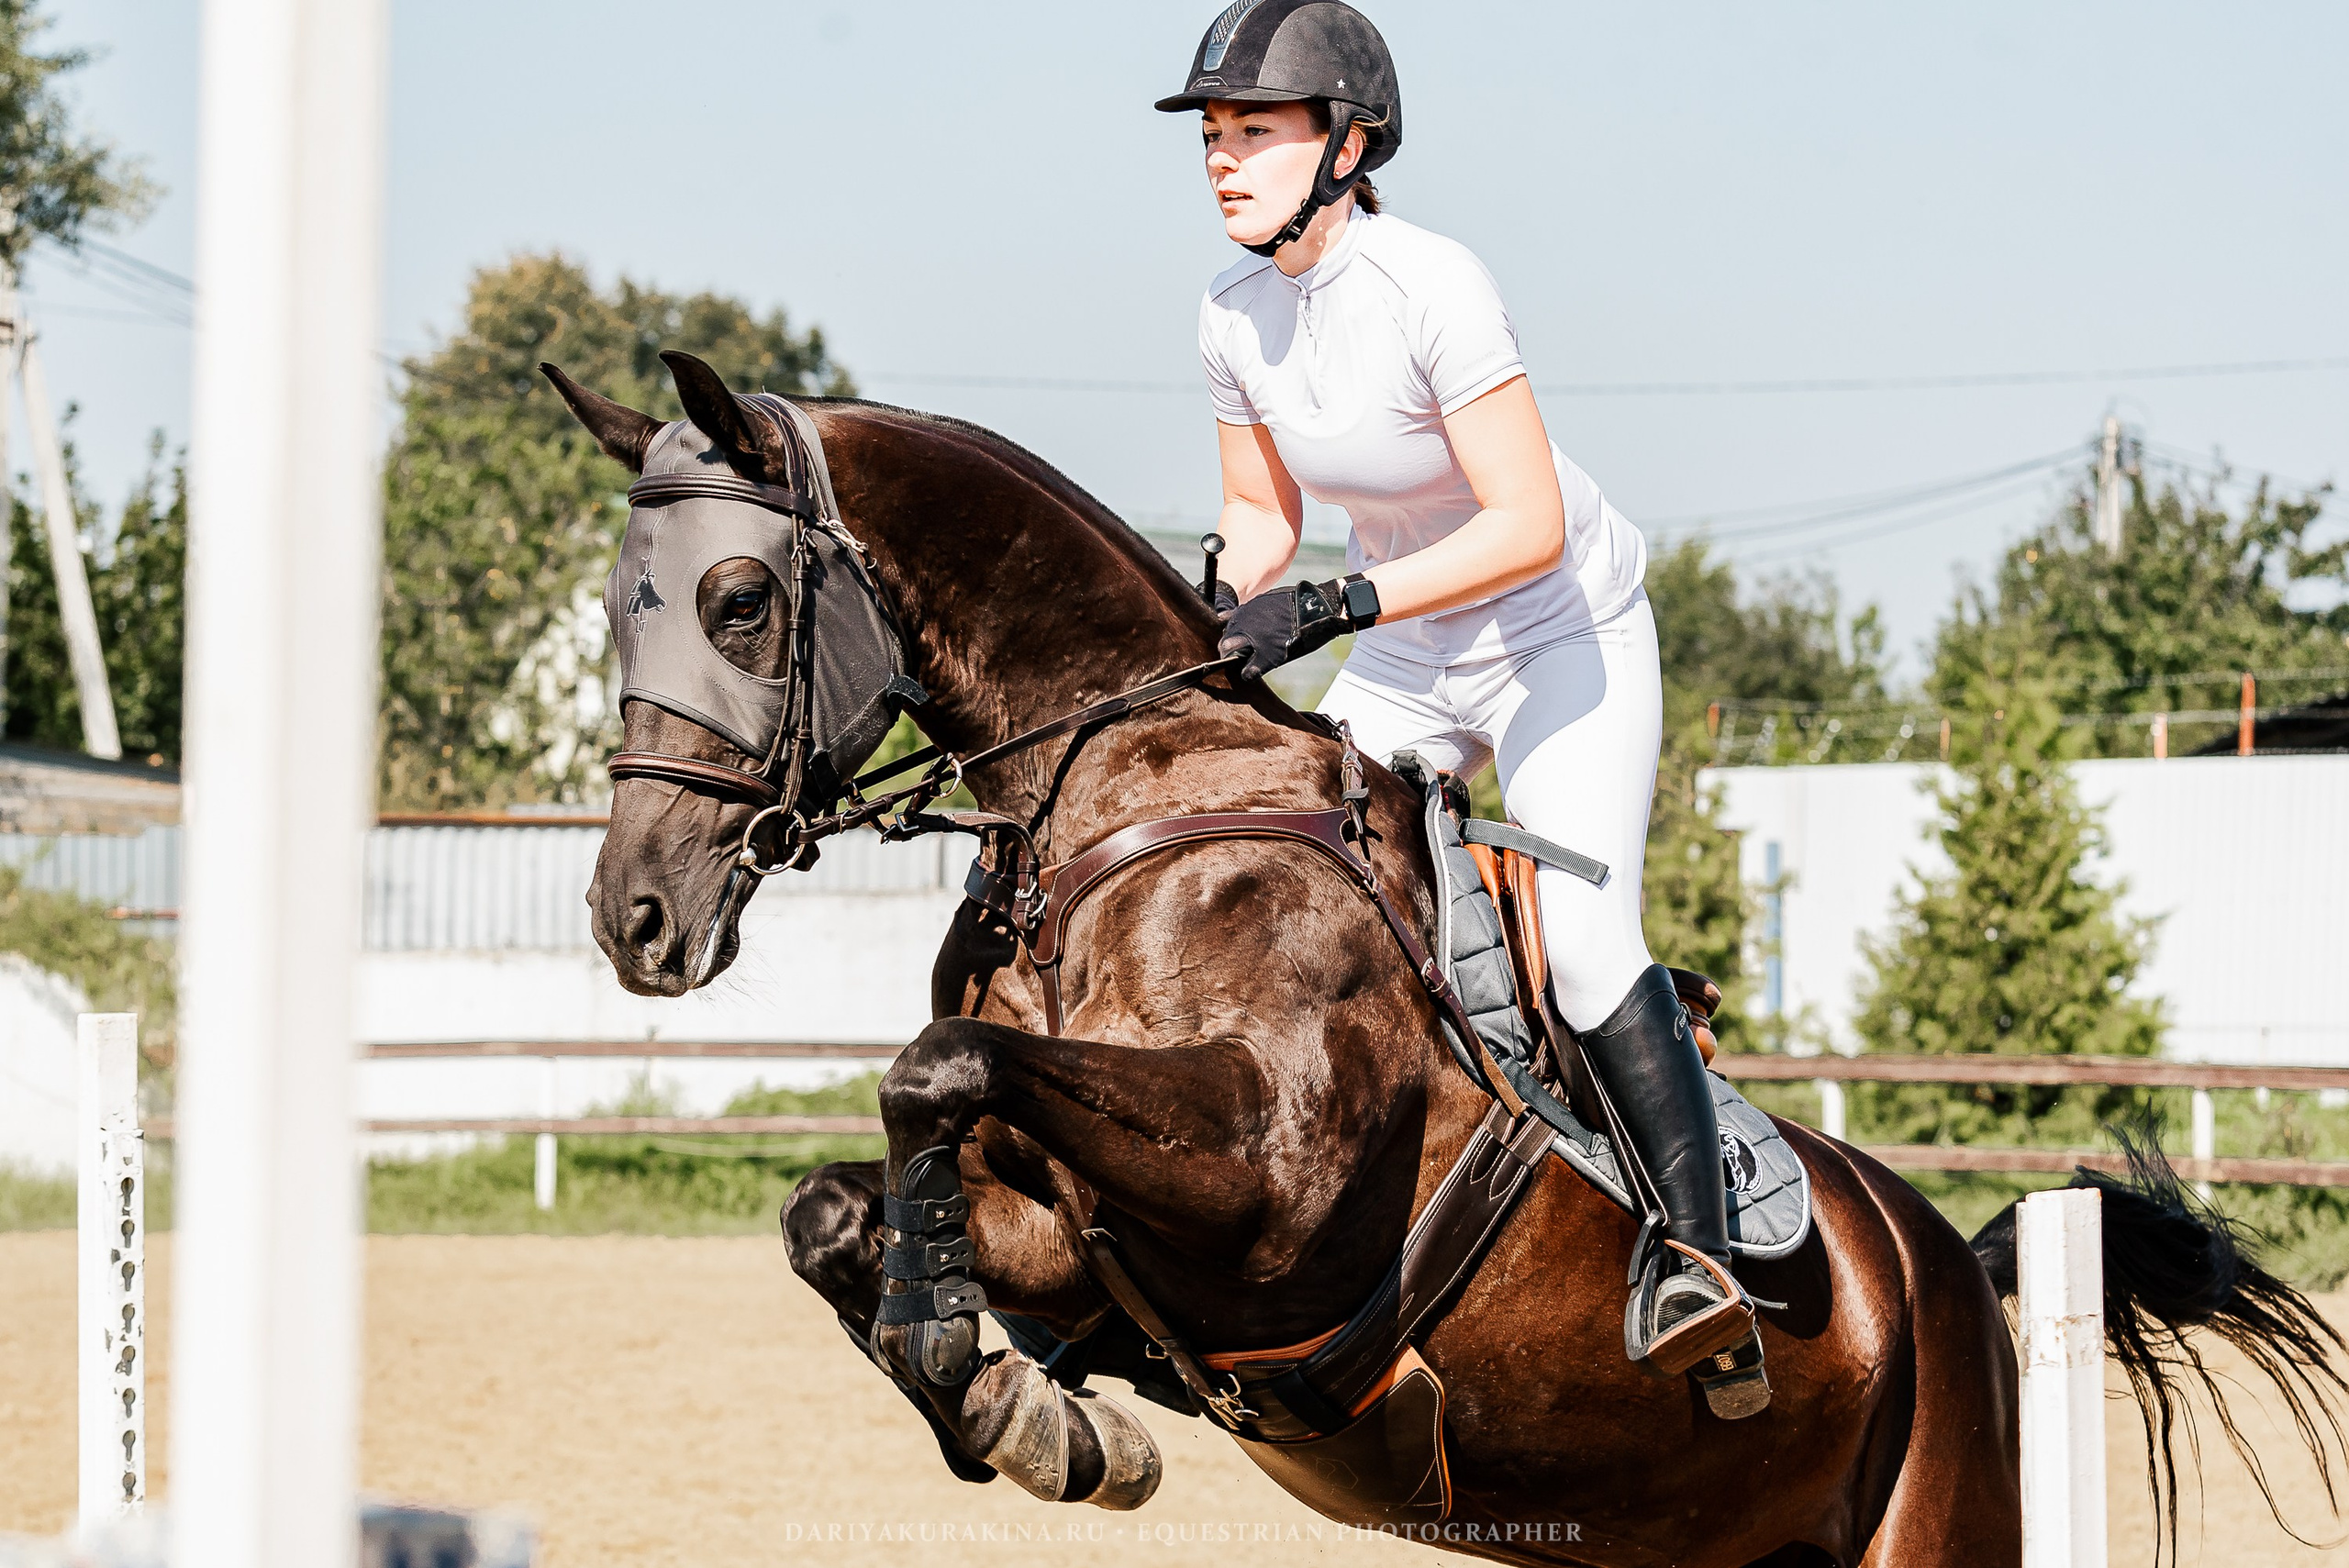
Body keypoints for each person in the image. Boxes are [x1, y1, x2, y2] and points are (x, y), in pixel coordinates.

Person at [1158, 0, 1767, 1418]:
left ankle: (1699, 1259)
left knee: (1584, 941)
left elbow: (1530, 521)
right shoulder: (1229, 312)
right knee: (1301, 888)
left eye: (1255, 131)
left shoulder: (1435, 283)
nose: (1222, 160)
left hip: (1562, 635)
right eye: (1212, 135)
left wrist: (1339, 606)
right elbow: (1263, 513)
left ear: (1349, 141)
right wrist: (1221, 600)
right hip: (1420, 650)